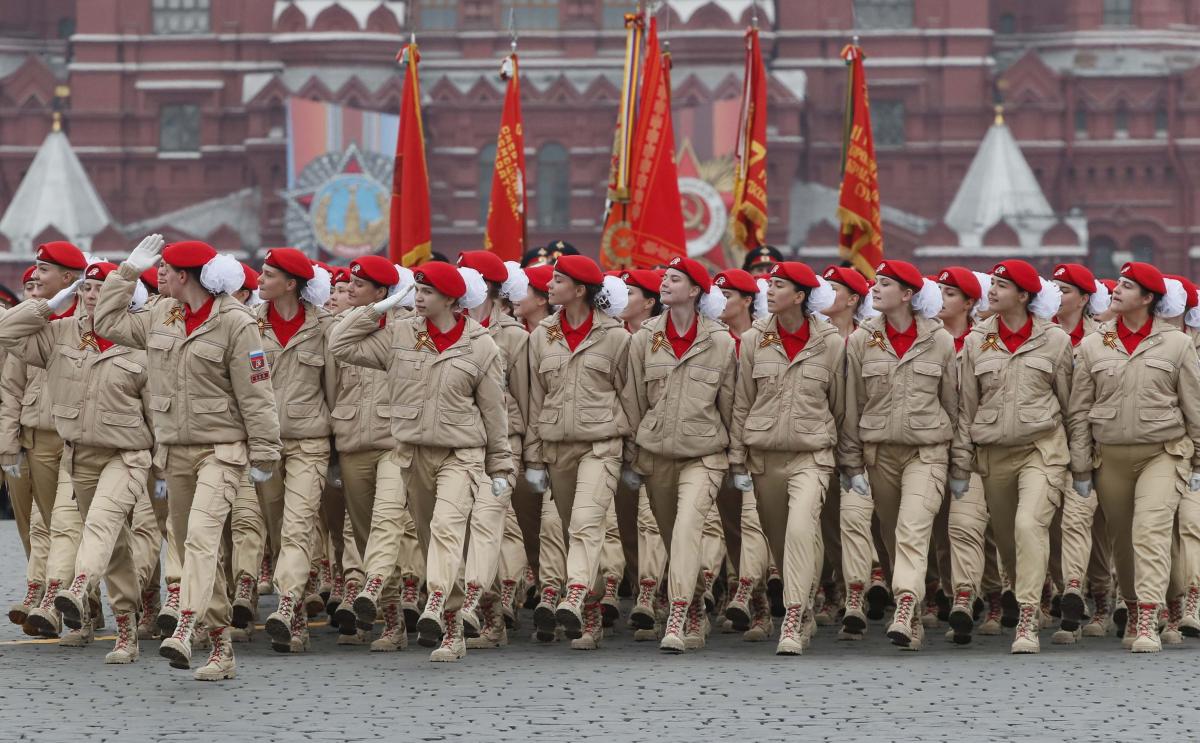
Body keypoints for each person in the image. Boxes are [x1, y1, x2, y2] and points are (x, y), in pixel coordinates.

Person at [94, 235, 282, 681]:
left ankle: (185, 623)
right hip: (175, 451)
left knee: (200, 537)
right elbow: (107, 322)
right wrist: (126, 273)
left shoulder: (236, 322)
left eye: (165, 269)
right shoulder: (163, 313)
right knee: (191, 545)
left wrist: (265, 451)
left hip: (222, 450)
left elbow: (256, 392)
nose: (158, 275)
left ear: (184, 276)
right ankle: (220, 648)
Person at [331, 261, 513, 663]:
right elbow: (339, 345)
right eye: (416, 290)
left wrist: (500, 467)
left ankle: (437, 605)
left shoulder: (481, 344)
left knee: (447, 530)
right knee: (432, 539)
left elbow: (494, 411)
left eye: (427, 292)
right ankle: (452, 627)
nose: (418, 298)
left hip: (460, 454)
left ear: (450, 299)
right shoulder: (400, 335)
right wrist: (374, 311)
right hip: (413, 454)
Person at [0, 262, 157, 663]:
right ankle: (122, 626)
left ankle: (79, 586)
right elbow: (6, 332)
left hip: (127, 455)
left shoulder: (141, 340)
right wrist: (47, 306)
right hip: (79, 455)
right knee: (110, 542)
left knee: (101, 523)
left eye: (101, 288)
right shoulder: (61, 333)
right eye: (86, 288)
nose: (91, 295)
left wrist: (163, 467)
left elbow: (158, 412)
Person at [1068, 261, 1200, 653]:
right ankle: (1136, 604)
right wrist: (1080, 466)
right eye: (1119, 283)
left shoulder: (1177, 344)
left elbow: (1194, 407)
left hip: (1163, 453)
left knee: (1150, 531)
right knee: (1122, 542)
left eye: (1128, 286)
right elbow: (1079, 410)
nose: (1117, 290)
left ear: (1148, 298)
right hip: (1110, 458)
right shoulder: (1093, 344)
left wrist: (1198, 462)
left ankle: (1148, 617)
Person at [951, 260, 1073, 654]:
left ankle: (1027, 617)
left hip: (1042, 450)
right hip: (993, 454)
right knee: (1007, 540)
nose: (992, 291)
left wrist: (1080, 464)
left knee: (1027, 525)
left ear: (1023, 295)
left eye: (1002, 286)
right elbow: (967, 408)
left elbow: (1070, 406)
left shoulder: (1055, 340)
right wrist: (962, 462)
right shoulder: (977, 340)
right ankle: (1031, 590)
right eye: (993, 284)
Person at [621, 256, 736, 653]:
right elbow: (634, 400)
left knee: (687, 528)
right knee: (674, 537)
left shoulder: (720, 341)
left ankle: (679, 612)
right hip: (657, 455)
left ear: (695, 290)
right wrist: (634, 454)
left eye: (675, 279)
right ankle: (698, 605)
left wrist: (737, 459)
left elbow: (731, 405)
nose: (665, 283)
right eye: (665, 278)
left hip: (704, 454)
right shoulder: (644, 339)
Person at [840, 259, 957, 651]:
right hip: (880, 454)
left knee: (912, 528)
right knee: (891, 535)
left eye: (885, 283)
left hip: (927, 452)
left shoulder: (939, 340)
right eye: (875, 282)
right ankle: (912, 606)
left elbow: (953, 405)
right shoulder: (863, 339)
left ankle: (905, 605)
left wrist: (959, 462)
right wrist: (852, 461)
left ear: (908, 294)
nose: (875, 288)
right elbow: (853, 404)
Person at [727, 261, 842, 655]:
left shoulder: (830, 343)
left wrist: (850, 462)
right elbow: (742, 402)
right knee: (778, 539)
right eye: (770, 284)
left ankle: (792, 615)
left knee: (799, 530)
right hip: (765, 457)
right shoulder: (754, 339)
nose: (770, 291)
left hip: (812, 454)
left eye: (779, 285)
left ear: (800, 296)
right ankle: (805, 608)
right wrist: (738, 459)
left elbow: (841, 406)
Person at [525, 255, 631, 649]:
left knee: (586, 523)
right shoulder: (542, 335)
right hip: (557, 448)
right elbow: (535, 400)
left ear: (580, 290)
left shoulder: (616, 337)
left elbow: (630, 396)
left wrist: (633, 454)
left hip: (601, 445)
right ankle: (592, 606)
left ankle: (574, 594)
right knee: (575, 529)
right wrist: (534, 457)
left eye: (558, 280)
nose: (549, 286)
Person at [328, 256, 422, 651]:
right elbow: (334, 376)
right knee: (367, 534)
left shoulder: (407, 329)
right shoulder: (342, 326)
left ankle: (385, 607)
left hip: (393, 442)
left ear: (382, 291)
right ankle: (391, 615)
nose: (349, 289)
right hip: (352, 440)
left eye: (359, 285)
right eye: (349, 283)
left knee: (387, 522)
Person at [250, 248, 336, 654]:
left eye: (269, 275)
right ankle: (296, 611)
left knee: (298, 525)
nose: (260, 280)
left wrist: (336, 447)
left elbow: (333, 388)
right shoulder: (249, 325)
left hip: (309, 442)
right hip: (264, 445)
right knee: (277, 525)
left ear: (291, 284)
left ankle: (287, 606)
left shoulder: (324, 327)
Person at [1049, 263, 1116, 641]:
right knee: (1057, 525)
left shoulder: (1103, 337)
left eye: (1065, 290)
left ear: (1085, 298)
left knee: (1096, 527)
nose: (1057, 296)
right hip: (1050, 442)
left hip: (1095, 443)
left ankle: (1102, 602)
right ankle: (1069, 597)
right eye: (1054, 288)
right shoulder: (1042, 333)